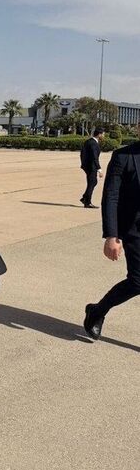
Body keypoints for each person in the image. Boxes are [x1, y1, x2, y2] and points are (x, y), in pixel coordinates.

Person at [83, 135, 140, 341]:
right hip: (134, 230)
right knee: (138, 281)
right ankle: (97, 311)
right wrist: (112, 235)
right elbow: (111, 196)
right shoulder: (123, 156)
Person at [80, 128, 104, 209]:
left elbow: (82, 154)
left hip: (87, 166)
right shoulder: (93, 144)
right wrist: (99, 169)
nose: (103, 136)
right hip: (91, 166)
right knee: (92, 183)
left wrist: (83, 164)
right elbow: (95, 157)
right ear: (99, 134)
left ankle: (85, 198)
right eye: (103, 134)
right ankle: (87, 202)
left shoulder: (88, 141)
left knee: (93, 182)